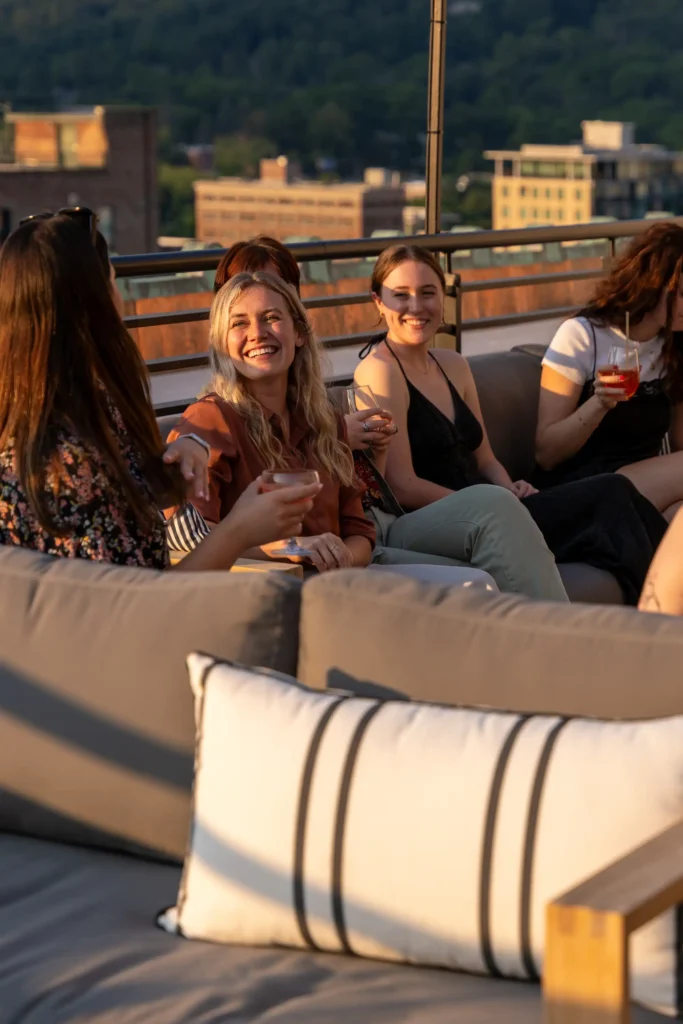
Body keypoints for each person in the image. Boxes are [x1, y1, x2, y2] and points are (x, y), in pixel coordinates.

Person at [354, 243, 669, 606]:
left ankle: (660, 612)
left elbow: (485, 459)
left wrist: (509, 488)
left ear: (443, 296)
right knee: (605, 502)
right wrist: (498, 504)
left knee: (614, 493)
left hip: (489, 510)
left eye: (428, 293)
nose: (416, 307)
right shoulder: (381, 370)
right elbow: (402, 485)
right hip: (427, 520)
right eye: (400, 295)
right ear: (378, 301)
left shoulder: (452, 364)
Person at [0, 216, 319, 571]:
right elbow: (140, 606)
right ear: (93, 305)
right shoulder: (68, 460)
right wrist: (240, 529)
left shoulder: (81, 415)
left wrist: (177, 453)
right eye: (113, 282)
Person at [167, 271, 376, 574]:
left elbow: (360, 534)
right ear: (222, 343)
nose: (257, 332)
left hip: (340, 583)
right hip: (261, 594)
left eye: (271, 318)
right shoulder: (209, 421)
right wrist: (294, 549)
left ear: (300, 333)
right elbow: (193, 538)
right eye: (239, 323)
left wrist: (337, 556)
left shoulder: (325, 419)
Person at [535, 222, 683, 519]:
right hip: (582, 488)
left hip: (644, 489)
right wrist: (598, 404)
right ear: (652, 285)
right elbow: (546, 455)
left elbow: (680, 444)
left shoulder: (675, 345)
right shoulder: (582, 335)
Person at [213, 234, 396, 458]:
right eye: (241, 320)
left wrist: (377, 449)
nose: (262, 291)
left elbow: (360, 490)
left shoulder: (313, 404)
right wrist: (337, 438)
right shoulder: (217, 420)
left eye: (278, 287)